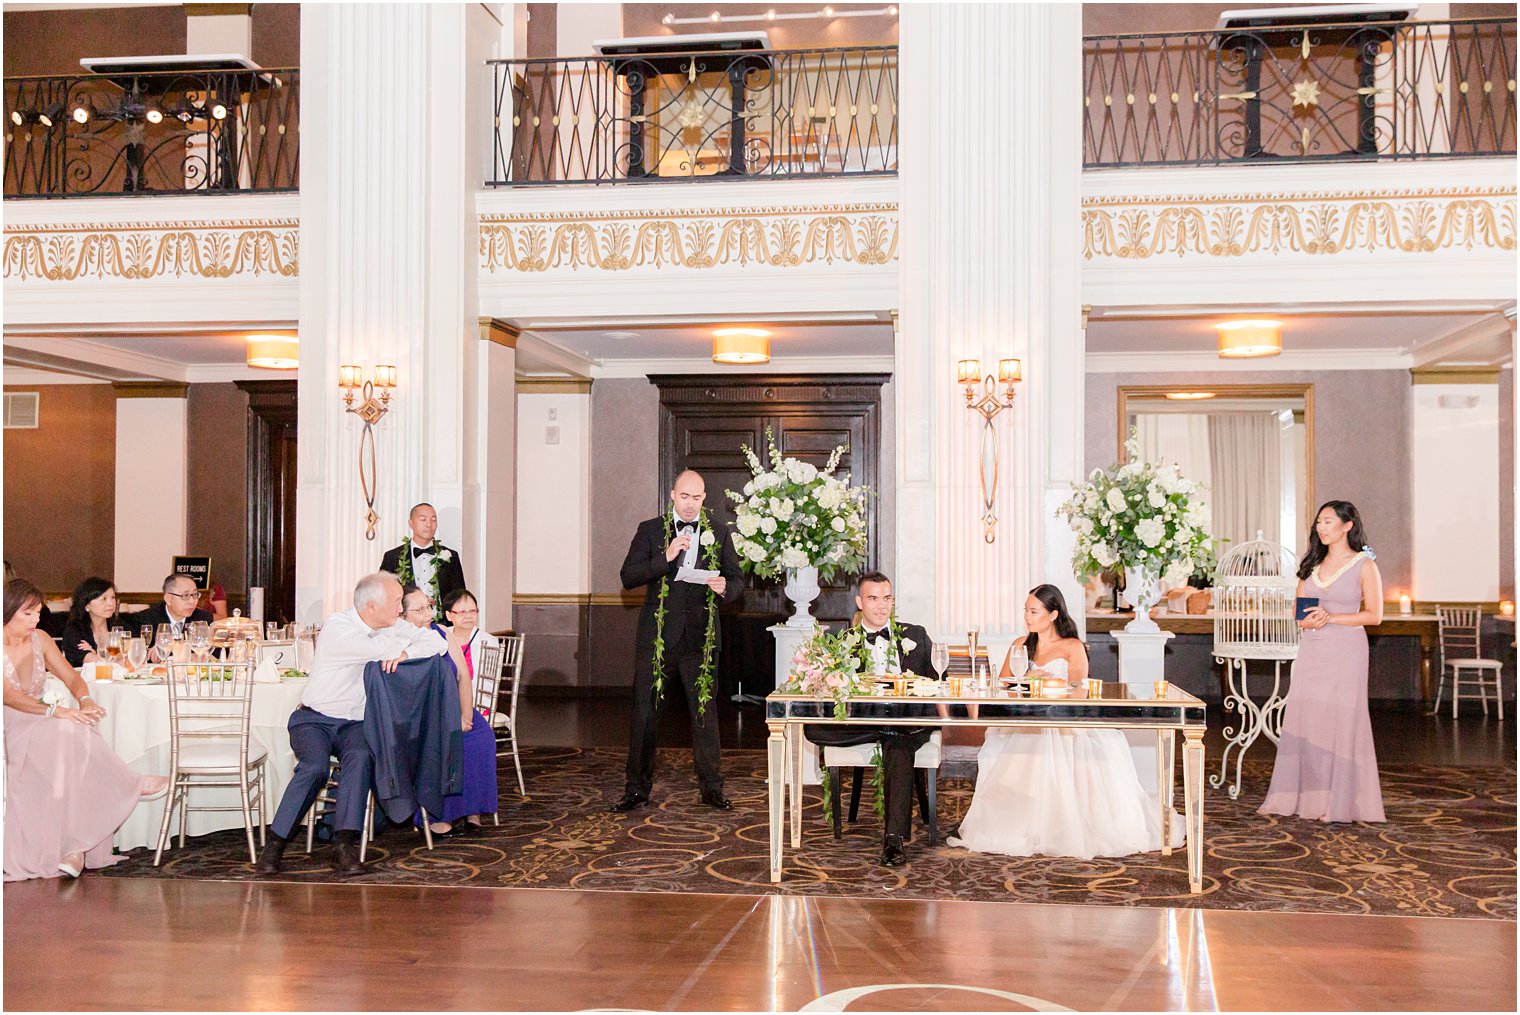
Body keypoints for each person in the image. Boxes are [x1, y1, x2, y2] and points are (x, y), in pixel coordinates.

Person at [950, 584, 1178, 859]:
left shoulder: (1072, 646)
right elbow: (1005, 685)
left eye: (1033, 611)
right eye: (1026, 609)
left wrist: (1050, 683)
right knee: (1018, 740)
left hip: (1063, 719)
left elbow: (1079, 689)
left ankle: (1062, 824)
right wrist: (1024, 685)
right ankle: (1022, 821)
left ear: (1053, 614)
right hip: (1027, 719)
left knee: (1054, 743)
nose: (1027, 616)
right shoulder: (1020, 645)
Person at [255, 573, 447, 876]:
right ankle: (275, 845)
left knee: (360, 759)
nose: (401, 610)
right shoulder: (338, 627)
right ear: (372, 606)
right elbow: (375, 650)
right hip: (313, 719)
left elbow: (437, 642)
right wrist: (399, 643)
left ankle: (344, 845)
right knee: (315, 768)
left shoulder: (390, 626)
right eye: (397, 602)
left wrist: (408, 651)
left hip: (355, 723)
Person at [3, 579, 170, 880]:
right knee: (69, 731)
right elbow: (9, 697)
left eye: (38, 613)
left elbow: (71, 677)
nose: (35, 620)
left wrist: (85, 700)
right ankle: (131, 783)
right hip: (13, 722)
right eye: (27, 614)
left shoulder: (40, 638)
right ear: (8, 611)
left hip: (43, 719)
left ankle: (75, 848)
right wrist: (57, 711)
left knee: (78, 730)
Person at [612, 469, 745, 813]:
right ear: (672, 495)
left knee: (705, 714)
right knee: (644, 714)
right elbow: (628, 576)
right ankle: (636, 789)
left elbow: (736, 579)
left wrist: (725, 588)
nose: (690, 505)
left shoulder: (718, 530)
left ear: (704, 498)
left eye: (697, 498)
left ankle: (712, 788)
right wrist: (665, 558)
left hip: (700, 639)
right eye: (684, 497)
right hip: (657, 639)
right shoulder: (651, 530)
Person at [1260, 501, 1386, 823]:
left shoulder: (1364, 565)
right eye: (1318, 522)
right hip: (1312, 651)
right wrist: (1308, 620)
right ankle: (1307, 799)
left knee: (1340, 721)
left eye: (1328, 521)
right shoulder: (1312, 565)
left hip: (1347, 651)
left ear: (1347, 525)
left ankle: (1340, 801)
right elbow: (1298, 612)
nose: (1321, 527)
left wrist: (1332, 618)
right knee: (1309, 721)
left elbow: (1374, 616)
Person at [807, 572, 936, 867]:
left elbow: (938, 682)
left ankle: (893, 840)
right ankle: (887, 727)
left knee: (898, 738)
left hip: (907, 722)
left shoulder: (915, 635)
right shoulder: (842, 643)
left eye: (887, 598)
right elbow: (828, 689)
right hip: (865, 721)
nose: (881, 606)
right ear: (859, 602)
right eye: (873, 598)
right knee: (813, 727)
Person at [410, 587, 499, 836]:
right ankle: (438, 816)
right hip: (426, 712)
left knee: (481, 737)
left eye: (428, 607)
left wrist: (466, 716)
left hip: (454, 706)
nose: (428, 613)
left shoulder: (440, 632)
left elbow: (463, 676)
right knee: (450, 743)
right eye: (421, 609)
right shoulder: (399, 639)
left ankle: (473, 812)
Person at [380, 503, 466, 618]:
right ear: (411, 523)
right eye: (423, 519)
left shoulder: (451, 556)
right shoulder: (393, 557)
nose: (429, 524)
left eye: (433, 520)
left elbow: (459, 596)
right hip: (406, 624)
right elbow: (383, 594)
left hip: (442, 625)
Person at [131, 573, 214, 640]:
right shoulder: (147, 620)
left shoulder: (203, 618)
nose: (192, 601)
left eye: (195, 594)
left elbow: (214, 652)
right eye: (185, 595)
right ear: (168, 599)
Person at [61, 577, 119, 667]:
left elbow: (129, 659)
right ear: (87, 605)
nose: (111, 603)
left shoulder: (119, 627)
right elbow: (89, 660)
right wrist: (104, 658)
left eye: (113, 598)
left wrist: (97, 655)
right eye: (104, 599)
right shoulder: (75, 631)